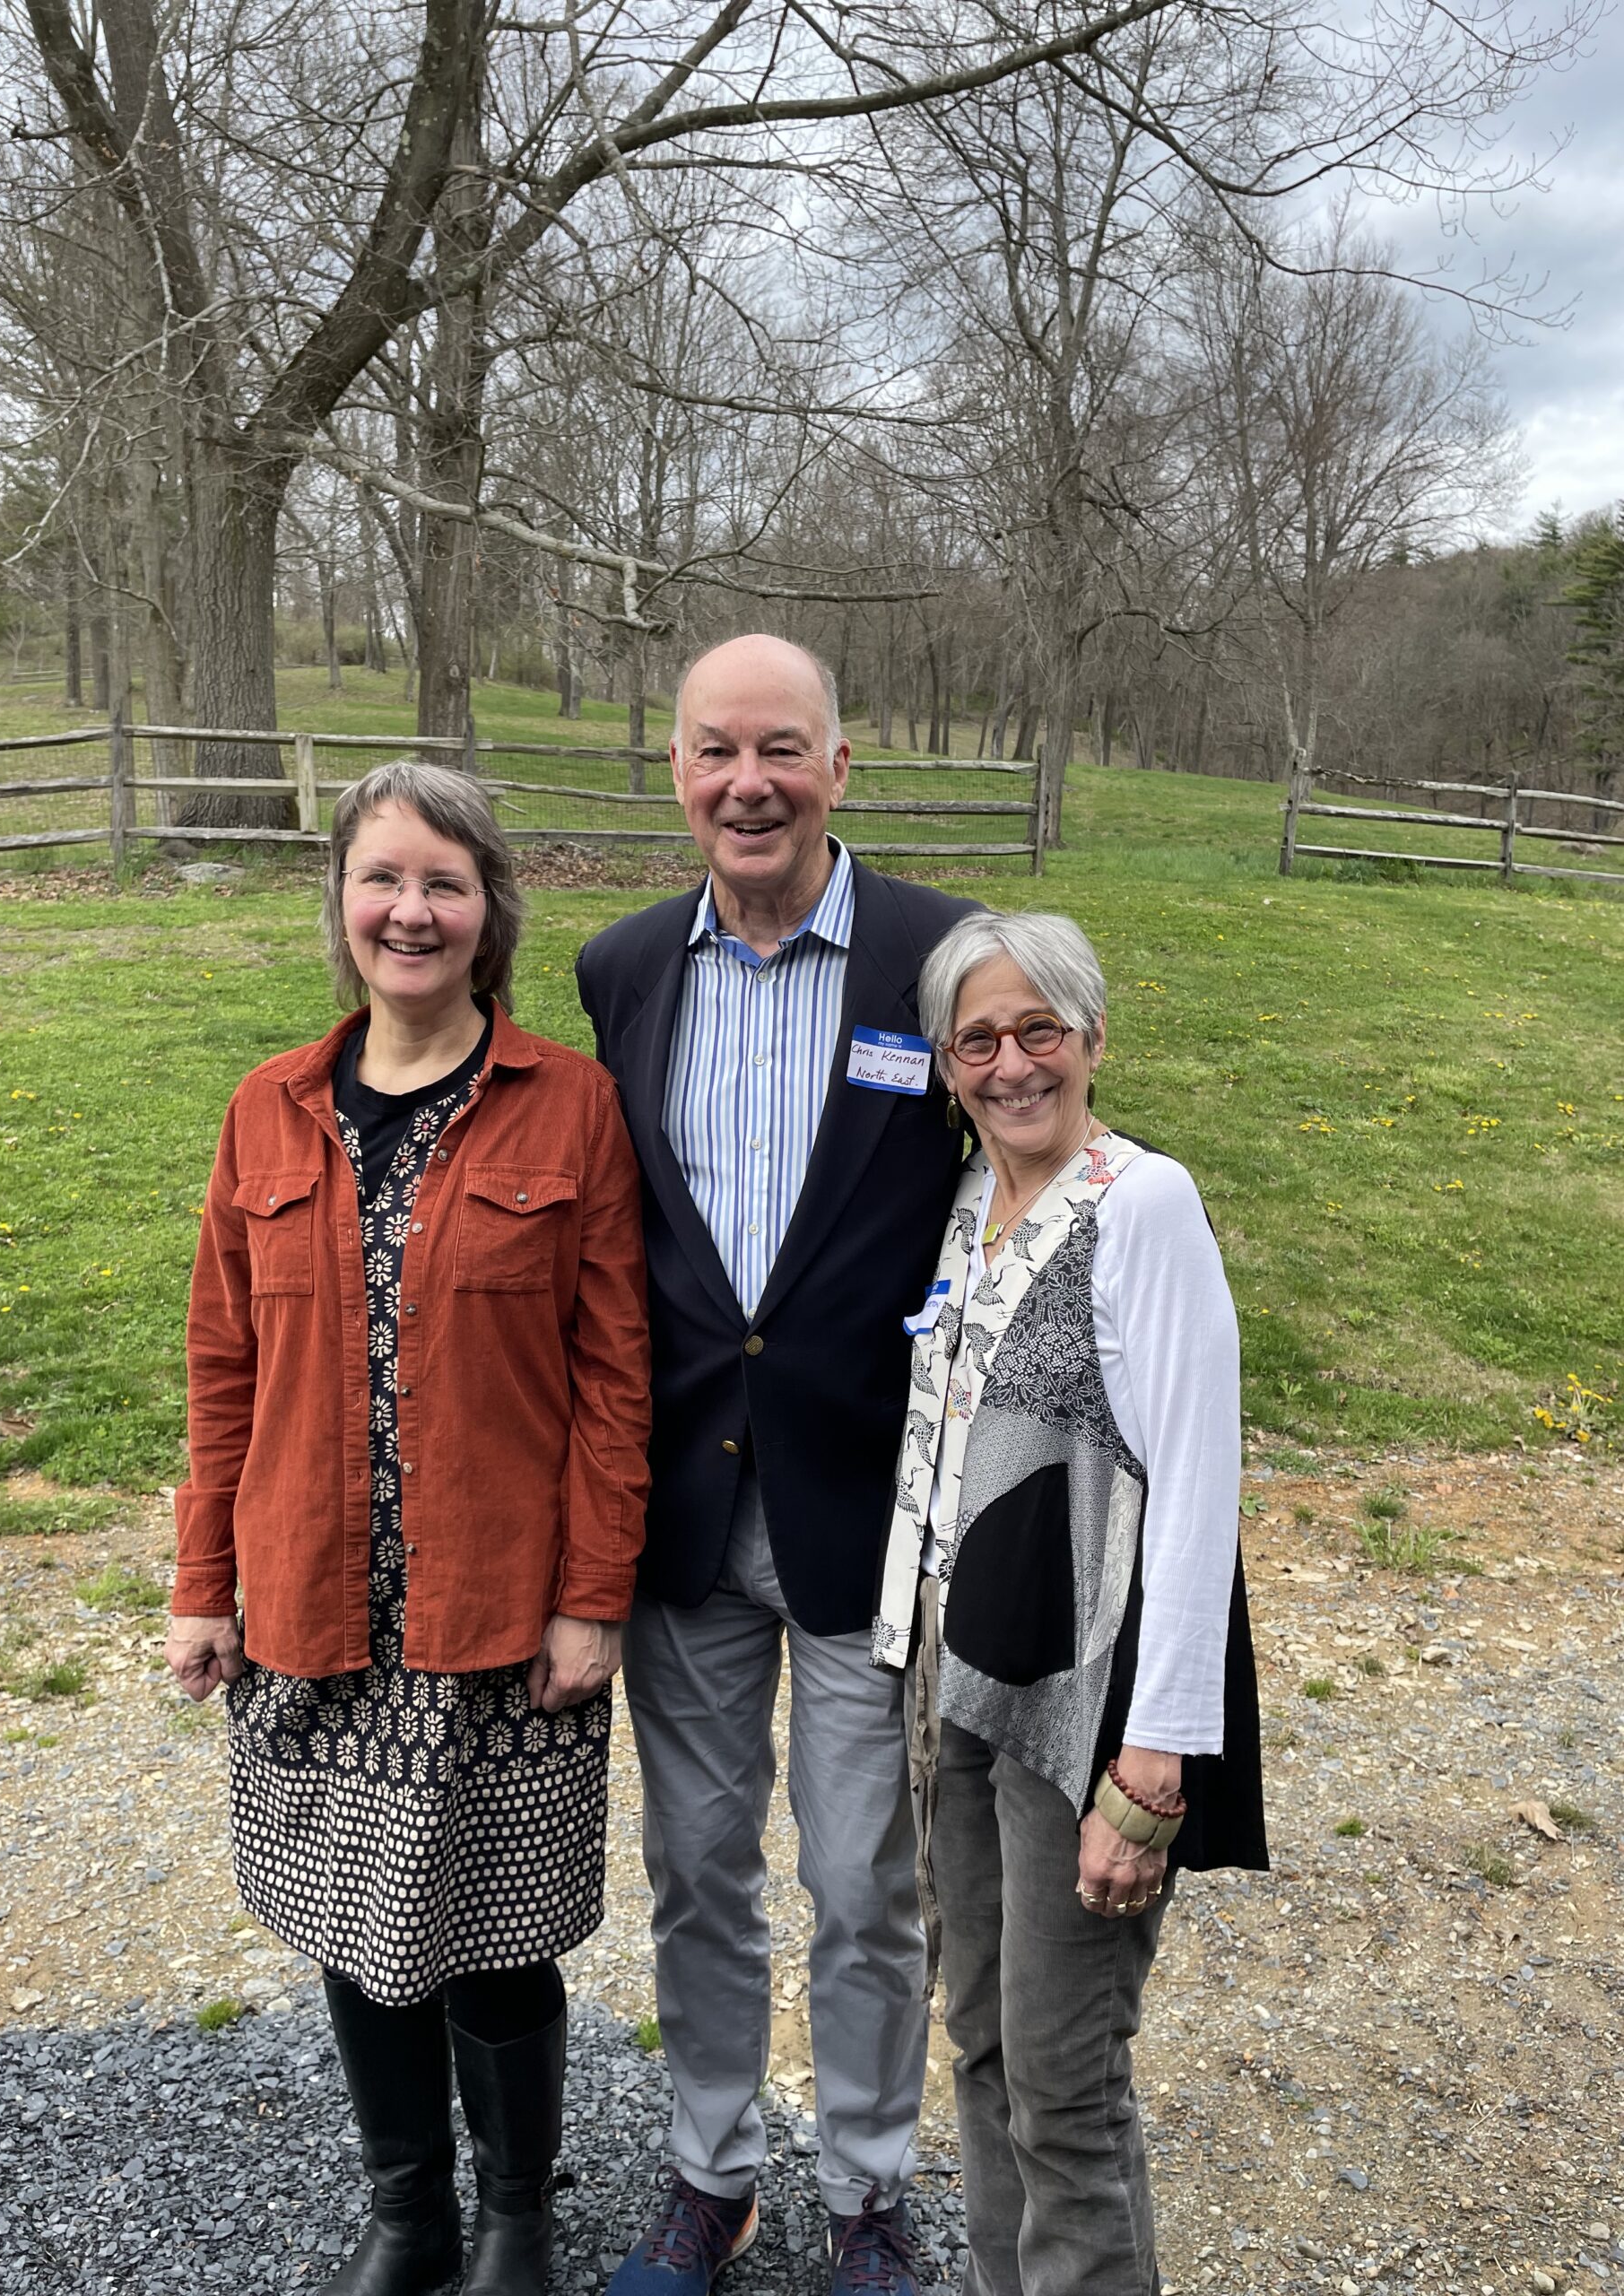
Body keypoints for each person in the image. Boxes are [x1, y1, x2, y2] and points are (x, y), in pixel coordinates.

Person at [165, 761, 651, 2296]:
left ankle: (516, 2218)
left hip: (495, 1612)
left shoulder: (570, 1107)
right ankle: (410, 2217)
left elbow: (616, 1376)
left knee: (499, 1933)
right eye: (381, 878)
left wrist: (593, 1596)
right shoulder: (267, 1110)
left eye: (444, 882)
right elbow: (223, 1365)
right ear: (342, 904)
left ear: (489, 912)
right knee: (353, 1921)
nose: (411, 911)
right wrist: (202, 1583)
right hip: (313, 1602)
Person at [577, 635, 976, 2296]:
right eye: (717, 752)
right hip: (683, 1507)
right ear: (677, 771)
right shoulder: (620, 970)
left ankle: (869, 2191)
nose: (750, 785)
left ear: (839, 765)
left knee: (869, 1881)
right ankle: (712, 2175)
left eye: (783, 750)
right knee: (697, 1872)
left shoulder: (939, 957)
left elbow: (1030, 1159)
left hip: (865, 1509)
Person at [872, 908, 1268, 2296]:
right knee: (980, 2041)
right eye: (976, 1040)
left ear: (1094, 1037)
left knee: (1064, 2082)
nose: (1011, 1064)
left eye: (1039, 1030)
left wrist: (1154, 1762)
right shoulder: (968, 1203)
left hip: (1081, 1702)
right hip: (956, 1675)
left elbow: (1198, 1490)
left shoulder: (1142, 1204)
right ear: (947, 1065)